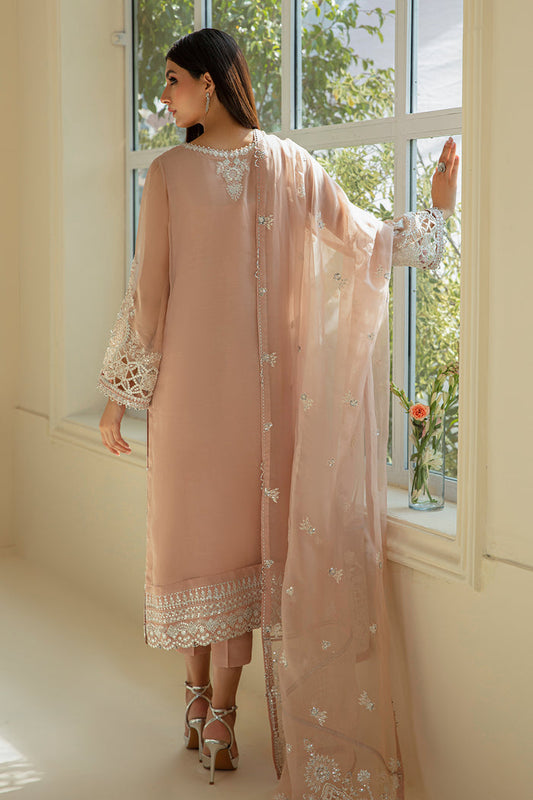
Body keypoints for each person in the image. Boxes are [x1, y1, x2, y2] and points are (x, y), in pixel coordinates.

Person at [97, 28, 458, 797]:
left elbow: (149, 298)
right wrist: (431, 217)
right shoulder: (287, 165)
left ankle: (200, 707)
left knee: (199, 549)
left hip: (193, 403)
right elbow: (369, 244)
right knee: (237, 551)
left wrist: (118, 399)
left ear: (209, 82)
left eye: (171, 79)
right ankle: (219, 718)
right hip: (260, 409)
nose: (162, 95)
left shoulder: (174, 174)